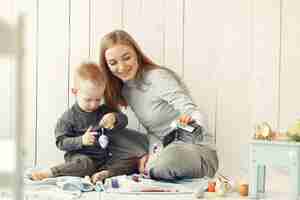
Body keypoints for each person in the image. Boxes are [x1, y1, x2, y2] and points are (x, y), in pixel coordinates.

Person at [99, 30, 219, 181]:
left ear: (137, 54)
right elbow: (153, 132)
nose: (121, 67)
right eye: (113, 63)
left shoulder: (157, 77)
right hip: (163, 148)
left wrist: (190, 120)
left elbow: (189, 108)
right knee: (112, 135)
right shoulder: (126, 90)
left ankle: (153, 166)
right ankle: (148, 164)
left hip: (195, 150)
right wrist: (153, 153)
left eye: (126, 58)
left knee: (165, 161)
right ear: (107, 66)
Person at [31, 62, 148, 182]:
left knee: (132, 161)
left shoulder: (104, 111)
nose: (93, 104)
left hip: (106, 159)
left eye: (98, 99)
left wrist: (114, 117)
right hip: (81, 158)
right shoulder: (69, 117)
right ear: (75, 92)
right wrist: (81, 140)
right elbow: (60, 142)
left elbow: (124, 121)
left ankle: (105, 173)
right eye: (88, 100)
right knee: (85, 165)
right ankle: (50, 172)